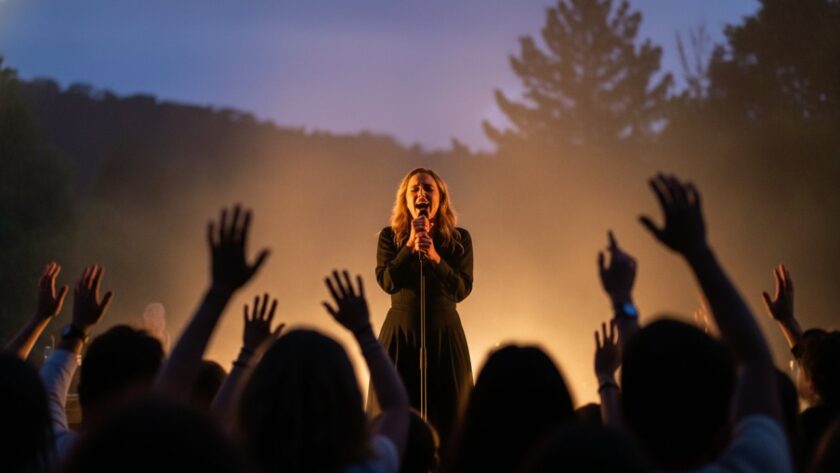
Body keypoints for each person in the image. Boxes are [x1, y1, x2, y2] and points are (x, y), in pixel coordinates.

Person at [373, 167, 473, 442]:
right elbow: (387, 282)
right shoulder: (389, 238)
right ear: (405, 199)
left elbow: (462, 289)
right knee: (397, 414)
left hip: (444, 336)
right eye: (414, 189)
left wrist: (435, 257)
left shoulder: (459, 240)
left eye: (428, 188)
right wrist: (408, 247)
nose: (421, 194)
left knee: (449, 416)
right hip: (401, 335)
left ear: (440, 198)